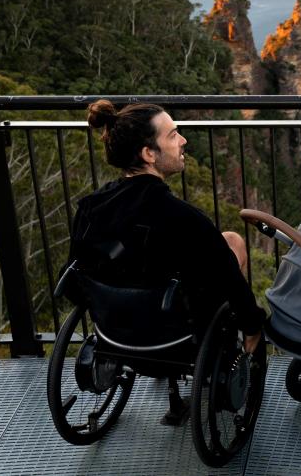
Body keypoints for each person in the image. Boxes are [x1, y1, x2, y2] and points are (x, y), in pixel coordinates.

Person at [64, 100, 265, 353]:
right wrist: (253, 324)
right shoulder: (184, 218)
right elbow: (230, 282)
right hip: (176, 339)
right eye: (173, 135)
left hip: (113, 334)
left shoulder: (90, 207)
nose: (183, 141)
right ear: (149, 154)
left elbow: (75, 280)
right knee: (232, 242)